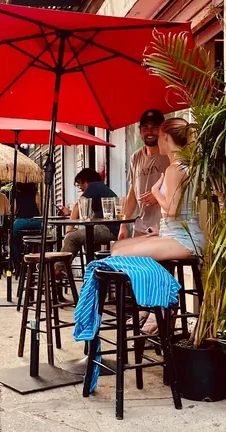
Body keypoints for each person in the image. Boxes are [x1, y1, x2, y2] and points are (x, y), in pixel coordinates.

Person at [111, 118, 205, 332]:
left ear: (165, 137)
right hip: (176, 233)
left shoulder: (175, 169)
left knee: (118, 254)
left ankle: (160, 303)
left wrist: (155, 192)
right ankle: (153, 305)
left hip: (183, 239)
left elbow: (171, 210)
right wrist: (159, 230)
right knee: (117, 248)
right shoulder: (184, 166)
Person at [118, 109, 171, 241]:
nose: (150, 132)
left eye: (155, 127)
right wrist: (123, 225)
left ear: (163, 130)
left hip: (163, 228)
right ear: (140, 131)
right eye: (145, 128)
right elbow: (132, 193)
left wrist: (159, 194)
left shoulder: (169, 154)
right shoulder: (135, 157)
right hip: (140, 226)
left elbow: (181, 186)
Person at [56, 169, 117, 277]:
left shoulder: (94, 186)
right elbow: (84, 210)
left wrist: (69, 228)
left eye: (79, 183)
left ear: (86, 180)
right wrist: (70, 213)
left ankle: (58, 269)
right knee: (83, 237)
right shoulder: (101, 188)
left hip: (109, 228)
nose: (79, 187)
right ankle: (91, 272)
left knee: (71, 237)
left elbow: (78, 205)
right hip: (111, 228)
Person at [11, 182, 42, 272]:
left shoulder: (17, 193)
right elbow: (39, 208)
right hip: (36, 221)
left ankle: (18, 266)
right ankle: (36, 264)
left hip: (21, 222)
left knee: (13, 241)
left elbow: (15, 210)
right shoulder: (35, 193)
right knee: (39, 241)